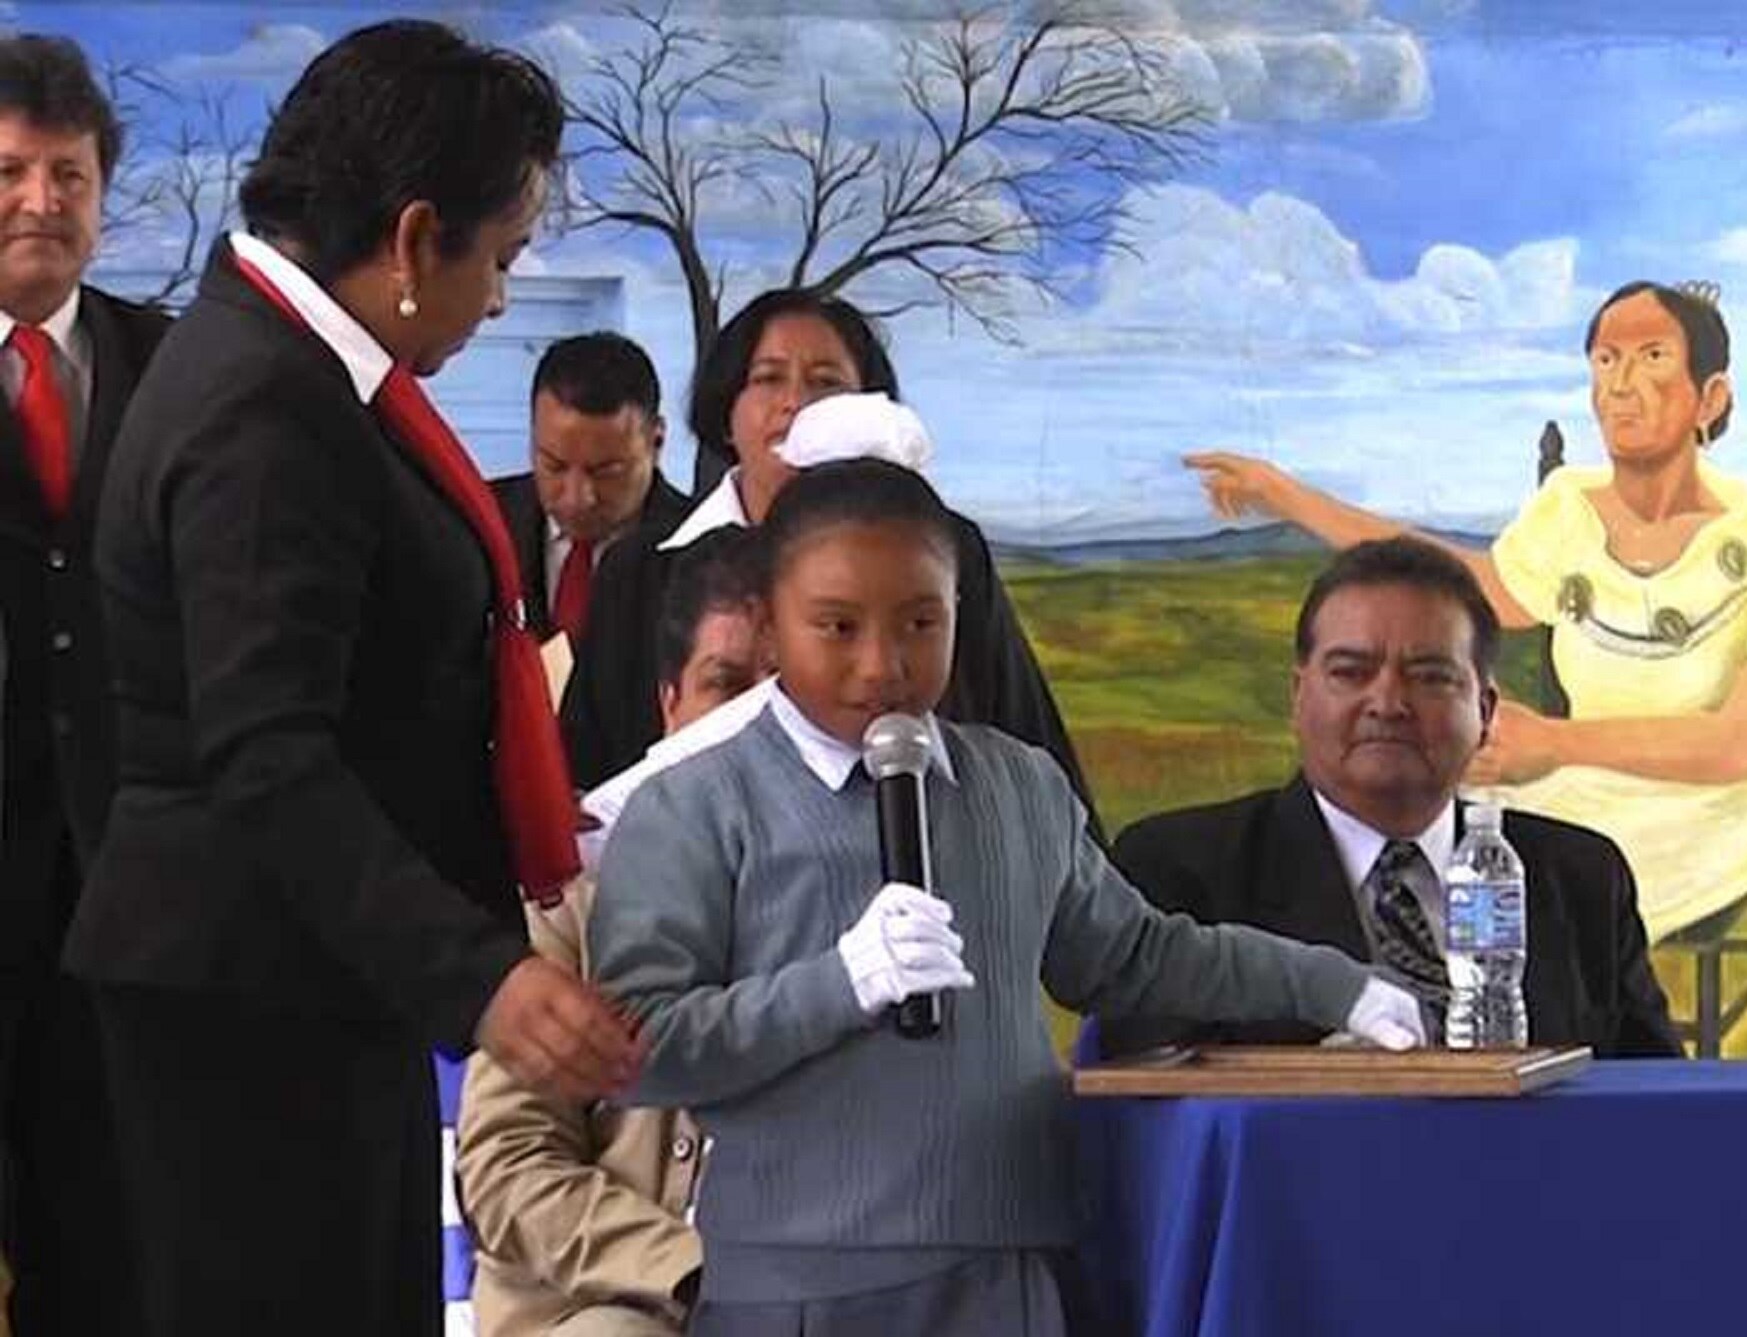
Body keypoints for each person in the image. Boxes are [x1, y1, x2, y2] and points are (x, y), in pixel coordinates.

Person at [62, 23, 642, 1334]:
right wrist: (481, 976)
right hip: (247, 999)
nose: (499, 297)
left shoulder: (288, 369)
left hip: (312, 974)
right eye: (497, 258)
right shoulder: (264, 409)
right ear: (412, 235)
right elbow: (267, 754)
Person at [590, 458, 1425, 1337]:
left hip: (1011, 1275)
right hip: (793, 1288)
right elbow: (637, 1046)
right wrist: (837, 982)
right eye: (836, 625)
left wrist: (1332, 983)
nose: (883, 664)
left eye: (922, 621)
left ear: (961, 612)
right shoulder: (694, 803)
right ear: (768, 617)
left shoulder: (1019, 786)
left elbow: (1139, 956)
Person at [1185, 281, 1747, 939]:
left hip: (1710, 816)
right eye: (1606, 360)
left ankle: (1526, 1032)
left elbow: (1740, 745)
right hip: (1578, 788)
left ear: (1712, 396)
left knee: (1513, 904)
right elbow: (1454, 582)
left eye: (1651, 357)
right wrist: (1288, 496)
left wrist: (1553, 743)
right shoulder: (1569, 512)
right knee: (1402, 851)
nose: (1620, 384)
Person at [1099, 538, 1679, 1060]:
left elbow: (1658, 1111)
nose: (1388, 702)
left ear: (1485, 712)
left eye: (1430, 677)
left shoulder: (1579, 878)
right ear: (1299, 698)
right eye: (1351, 672)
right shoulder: (1180, 870)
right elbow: (1154, 1108)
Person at [559, 289, 1095, 840]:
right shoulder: (643, 569)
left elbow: (1021, 726)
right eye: (768, 378)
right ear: (726, 412)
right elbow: (586, 766)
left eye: (826, 383)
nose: (795, 403)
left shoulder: (944, 548)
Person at [456, 526, 766, 1337]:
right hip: (613, 1307)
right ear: (671, 704)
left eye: (787, 694)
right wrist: (688, 1270)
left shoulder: (883, 900)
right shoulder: (575, 900)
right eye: (727, 686)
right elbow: (507, 1164)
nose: (757, 726)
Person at [0, 33, 170, 1334]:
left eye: (68, 175)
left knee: (112, 1220)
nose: (40, 202)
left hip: (137, 874)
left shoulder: (177, 368)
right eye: (10, 171)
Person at [491, 331, 693, 644]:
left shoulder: (701, 547)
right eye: (554, 466)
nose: (578, 498)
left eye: (606, 471)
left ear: (656, 442)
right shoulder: (479, 521)